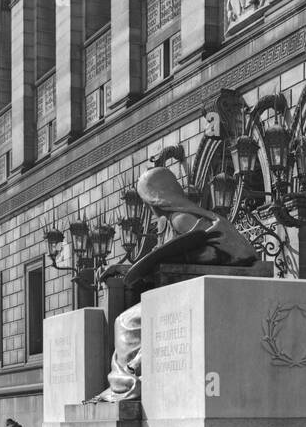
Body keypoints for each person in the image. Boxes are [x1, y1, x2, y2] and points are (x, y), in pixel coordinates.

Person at [88, 164, 260, 403]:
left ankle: (129, 385)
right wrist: (122, 269)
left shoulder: (182, 219)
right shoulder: (167, 223)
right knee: (125, 320)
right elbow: (158, 260)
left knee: (127, 322)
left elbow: (214, 251)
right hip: (177, 293)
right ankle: (129, 381)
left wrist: (182, 259)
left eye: (147, 200)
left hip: (196, 295)